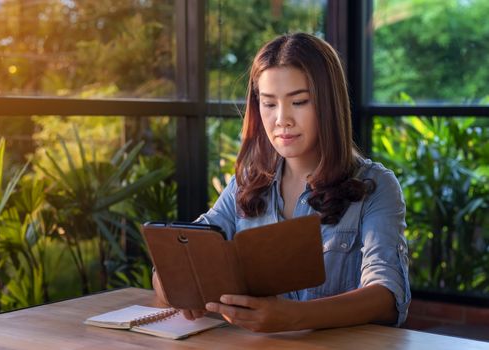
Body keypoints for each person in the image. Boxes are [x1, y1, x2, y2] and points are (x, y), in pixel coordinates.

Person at [152, 32, 410, 332]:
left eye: (299, 102)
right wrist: (177, 286)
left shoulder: (375, 187)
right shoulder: (247, 185)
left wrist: (295, 316)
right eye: (269, 103)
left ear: (328, 104)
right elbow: (176, 261)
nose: (282, 119)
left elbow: (387, 298)